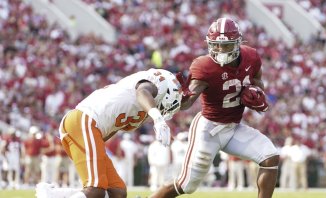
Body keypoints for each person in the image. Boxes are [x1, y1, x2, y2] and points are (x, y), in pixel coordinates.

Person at [150, 17, 279, 198]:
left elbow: (258, 82)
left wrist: (257, 93)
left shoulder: (251, 57)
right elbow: (188, 102)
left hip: (233, 128)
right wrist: (178, 99)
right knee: (186, 184)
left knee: (270, 156)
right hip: (208, 129)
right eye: (216, 44)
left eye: (225, 45)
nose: (219, 49)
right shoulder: (204, 65)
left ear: (237, 43)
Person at [36, 68, 182, 198]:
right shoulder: (153, 85)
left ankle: (52, 194)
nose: (164, 111)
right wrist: (158, 119)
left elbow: (112, 129)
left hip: (89, 128)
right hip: (84, 120)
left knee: (117, 192)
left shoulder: (142, 108)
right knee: (95, 189)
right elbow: (142, 92)